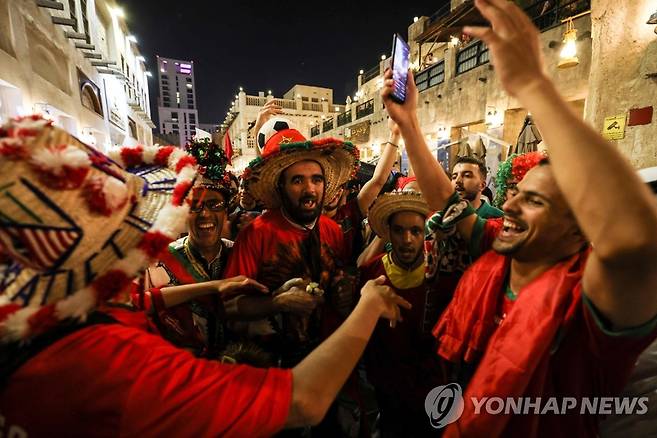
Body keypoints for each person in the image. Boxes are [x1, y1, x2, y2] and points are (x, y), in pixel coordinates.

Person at [0, 118, 411, 436]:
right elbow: (302, 399)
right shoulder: (116, 362)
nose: (148, 243)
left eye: (316, 179)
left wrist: (341, 296)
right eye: (133, 230)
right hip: (270, 379)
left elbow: (148, 302)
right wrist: (366, 304)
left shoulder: (48, 322)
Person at [381, 0, 657, 436]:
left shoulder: (593, 298)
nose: (508, 205)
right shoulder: (495, 250)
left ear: (578, 226)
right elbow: (445, 202)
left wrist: (534, 85)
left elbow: (637, 239)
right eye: (517, 196)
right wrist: (410, 125)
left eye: (535, 202)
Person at [223, 119, 360, 366]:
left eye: (316, 179)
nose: (310, 189)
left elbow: (340, 279)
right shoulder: (256, 234)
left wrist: (344, 290)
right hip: (273, 367)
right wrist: (276, 302)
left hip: (326, 360)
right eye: (297, 180)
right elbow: (229, 306)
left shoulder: (332, 230)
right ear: (281, 187)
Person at [135, 138, 238, 357]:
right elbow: (140, 310)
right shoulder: (156, 262)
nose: (205, 215)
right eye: (195, 206)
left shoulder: (239, 253)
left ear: (226, 211)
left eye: (214, 204)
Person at [359, 191, 444, 437]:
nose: (407, 239)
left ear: (424, 232)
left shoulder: (441, 273)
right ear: (388, 233)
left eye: (415, 231)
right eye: (399, 231)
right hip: (387, 389)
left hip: (432, 389)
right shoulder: (371, 273)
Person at [324, 117, 401, 263]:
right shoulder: (306, 223)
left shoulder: (349, 213)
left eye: (339, 186)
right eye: (328, 185)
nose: (334, 192)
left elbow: (378, 180)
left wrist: (395, 135)